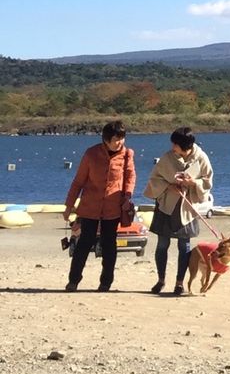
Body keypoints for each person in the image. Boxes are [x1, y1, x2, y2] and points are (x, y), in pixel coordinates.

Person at [62, 120, 136, 292]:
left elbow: (130, 178)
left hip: (113, 208)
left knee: (109, 245)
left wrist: (127, 196)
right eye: (116, 139)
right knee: (84, 244)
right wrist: (69, 206)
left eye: (122, 138)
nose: (120, 142)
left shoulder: (127, 154)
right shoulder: (91, 154)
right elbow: (78, 182)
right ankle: (73, 280)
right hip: (90, 206)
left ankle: (106, 282)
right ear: (106, 139)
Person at [144, 127, 214, 297]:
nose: (172, 147)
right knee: (162, 245)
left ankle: (180, 283)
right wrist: (169, 186)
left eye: (175, 144)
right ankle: (161, 280)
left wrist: (193, 183)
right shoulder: (167, 158)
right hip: (167, 205)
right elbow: (154, 179)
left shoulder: (201, 158)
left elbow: (207, 181)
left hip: (187, 208)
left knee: (185, 246)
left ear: (184, 146)